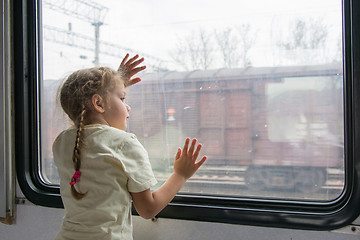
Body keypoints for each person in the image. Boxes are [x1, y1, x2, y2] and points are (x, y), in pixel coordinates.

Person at [52, 54, 207, 240]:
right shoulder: (124, 143)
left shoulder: (61, 142)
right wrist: (180, 174)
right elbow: (148, 209)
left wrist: (114, 83)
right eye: (123, 98)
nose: (129, 107)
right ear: (98, 103)